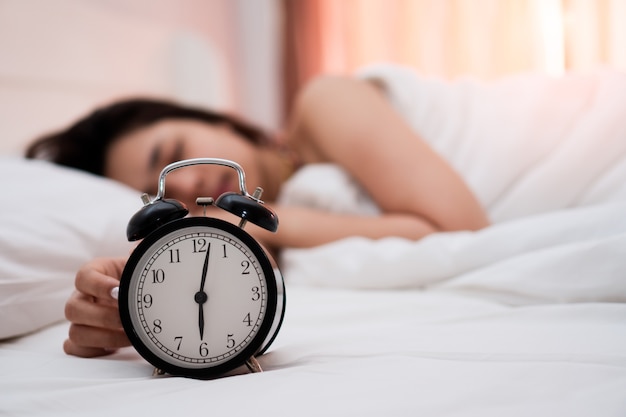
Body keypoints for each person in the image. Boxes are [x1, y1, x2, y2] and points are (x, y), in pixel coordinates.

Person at [27, 75, 490, 358]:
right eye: (162, 195)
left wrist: (262, 214)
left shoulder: (325, 102)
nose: (188, 187)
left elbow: (463, 230)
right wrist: (134, 291)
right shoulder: (263, 227)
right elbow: (244, 265)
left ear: (220, 119)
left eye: (176, 156)